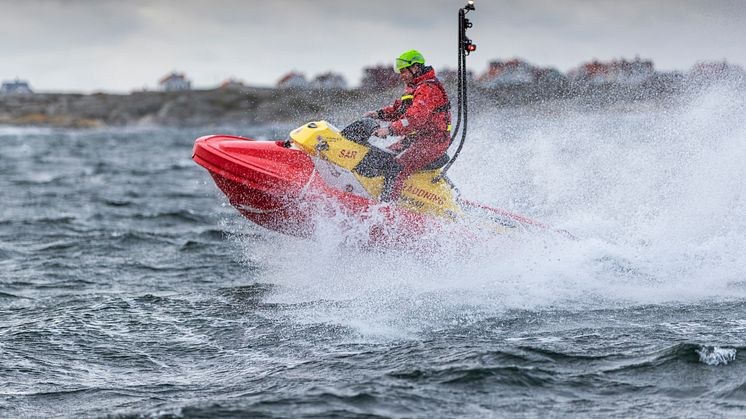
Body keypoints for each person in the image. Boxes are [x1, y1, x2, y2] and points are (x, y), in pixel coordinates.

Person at [364, 50, 452, 202]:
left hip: (432, 142)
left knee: (396, 167)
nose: (402, 75)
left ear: (415, 68)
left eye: (404, 71)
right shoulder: (415, 86)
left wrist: (389, 129)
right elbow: (401, 110)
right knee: (381, 157)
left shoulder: (428, 89)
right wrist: (378, 114)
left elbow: (414, 119)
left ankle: (387, 206)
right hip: (416, 139)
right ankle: (370, 191)